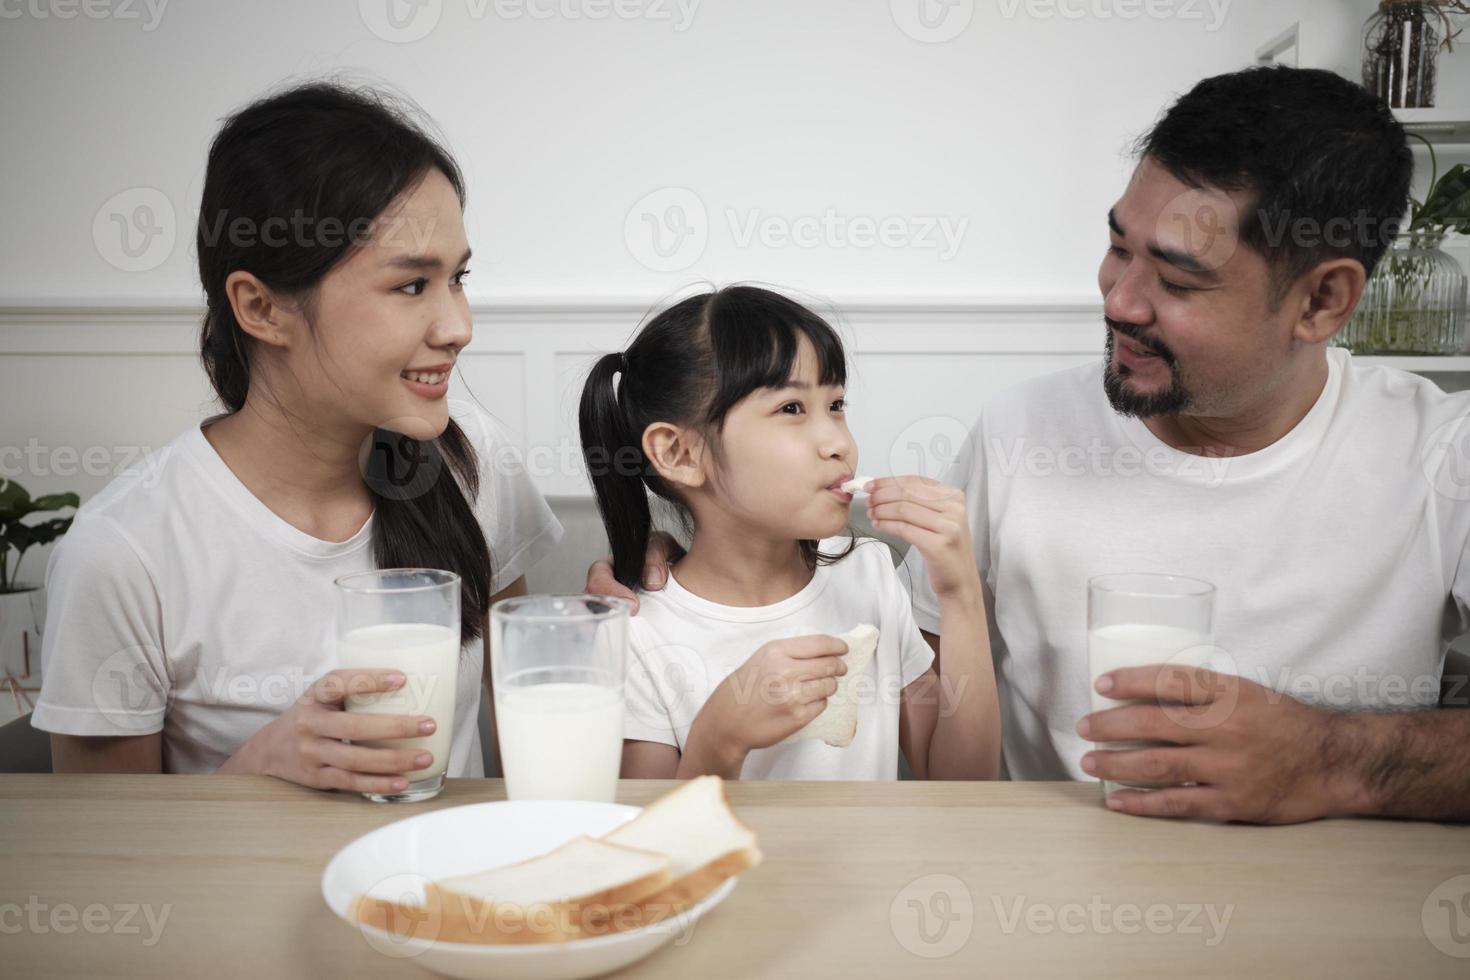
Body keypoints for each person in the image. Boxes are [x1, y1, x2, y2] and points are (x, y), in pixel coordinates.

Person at [593, 68, 1470, 823]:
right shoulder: (1017, 436)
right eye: (1117, 247)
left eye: (1174, 279)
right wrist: (637, 577)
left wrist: (1332, 757)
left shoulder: (1441, 456)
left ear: (1321, 302)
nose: (1120, 301)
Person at [31, 82, 563, 795]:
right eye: (411, 286)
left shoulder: (475, 463)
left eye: (458, 279)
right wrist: (259, 770)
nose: (457, 326)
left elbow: (529, 725)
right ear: (261, 307)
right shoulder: (124, 552)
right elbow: (102, 857)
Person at [578, 285, 999, 780]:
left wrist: (960, 592)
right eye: (792, 409)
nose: (839, 442)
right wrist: (719, 738)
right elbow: (658, 842)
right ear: (679, 454)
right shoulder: (636, 636)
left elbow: (960, 784)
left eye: (837, 404)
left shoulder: (870, 574)